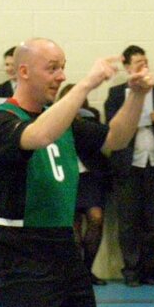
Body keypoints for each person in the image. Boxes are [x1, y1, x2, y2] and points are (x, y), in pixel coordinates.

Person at [0, 37, 153, 307]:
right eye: (51, 67)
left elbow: (116, 138)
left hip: (62, 248)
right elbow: (39, 135)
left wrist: (136, 95)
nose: (61, 75)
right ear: (23, 71)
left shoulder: (65, 119)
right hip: (21, 251)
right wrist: (86, 84)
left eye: (63, 67)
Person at [104, 45, 154, 287]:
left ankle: (148, 268)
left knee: (151, 220)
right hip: (128, 164)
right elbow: (111, 129)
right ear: (127, 68)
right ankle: (131, 270)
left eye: (146, 62)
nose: (143, 67)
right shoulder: (115, 94)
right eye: (138, 63)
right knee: (128, 221)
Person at [58, 83, 110, 286]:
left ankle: (87, 269)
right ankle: (75, 273)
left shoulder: (91, 116)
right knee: (73, 229)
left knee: (96, 218)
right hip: (66, 176)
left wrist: (80, 122)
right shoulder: (54, 117)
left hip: (89, 176)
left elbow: (99, 139)